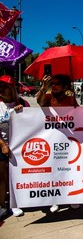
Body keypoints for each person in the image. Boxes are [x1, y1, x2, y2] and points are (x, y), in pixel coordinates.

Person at [36, 74, 79, 212]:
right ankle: (55, 199)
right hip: (51, 140)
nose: (53, 85)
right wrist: (44, 88)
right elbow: (40, 103)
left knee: (69, 169)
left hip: (68, 140)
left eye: (57, 83)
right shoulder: (48, 97)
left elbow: (80, 115)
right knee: (53, 170)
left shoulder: (71, 99)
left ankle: (71, 197)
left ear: (65, 86)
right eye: (52, 83)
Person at [0, 75, 30, 218]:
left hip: (20, 147)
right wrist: (3, 145)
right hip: (2, 146)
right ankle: (3, 205)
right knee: (3, 177)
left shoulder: (23, 103)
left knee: (17, 176)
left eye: (4, 87)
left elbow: (32, 123)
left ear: (12, 89)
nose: (1, 90)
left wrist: (23, 113)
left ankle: (16, 202)